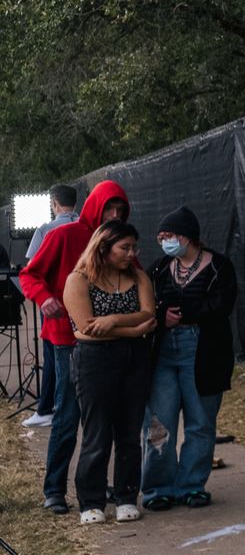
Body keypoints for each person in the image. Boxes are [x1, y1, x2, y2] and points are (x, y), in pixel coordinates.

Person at [18, 181, 129, 514]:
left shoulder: (117, 244)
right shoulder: (64, 236)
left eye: (120, 210)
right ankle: (54, 489)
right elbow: (29, 274)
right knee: (67, 414)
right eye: (109, 208)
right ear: (95, 206)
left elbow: (134, 277)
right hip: (67, 340)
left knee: (101, 417)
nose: (114, 215)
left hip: (106, 340)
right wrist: (45, 297)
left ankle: (95, 485)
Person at [143, 207, 237, 510]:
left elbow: (222, 305)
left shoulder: (219, 267)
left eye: (168, 236)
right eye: (160, 238)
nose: (164, 242)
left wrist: (184, 314)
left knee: (200, 422)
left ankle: (191, 485)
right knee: (159, 423)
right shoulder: (158, 268)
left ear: (186, 236)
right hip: (164, 352)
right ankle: (158, 488)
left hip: (204, 350)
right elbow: (145, 302)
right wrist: (161, 317)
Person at [63, 219, 155, 525]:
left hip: (135, 361)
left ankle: (127, 496)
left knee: (129, 432)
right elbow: (86, 331)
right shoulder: (79, 280)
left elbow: (149, 316)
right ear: (103, 248)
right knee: (97, 432)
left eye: (134, 247)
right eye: (124, 247)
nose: (131, 253)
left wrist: (113, 320)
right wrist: (133, 330)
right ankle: (91, 501)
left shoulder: (138, 277)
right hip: (94, 361)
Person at [20, 184, 79, 429]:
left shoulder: (46, 230)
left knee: (53, 356)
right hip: (87, 305)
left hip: (56, 305)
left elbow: (32, 267)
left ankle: (48, 408)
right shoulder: (89, 228)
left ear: (54, 202)